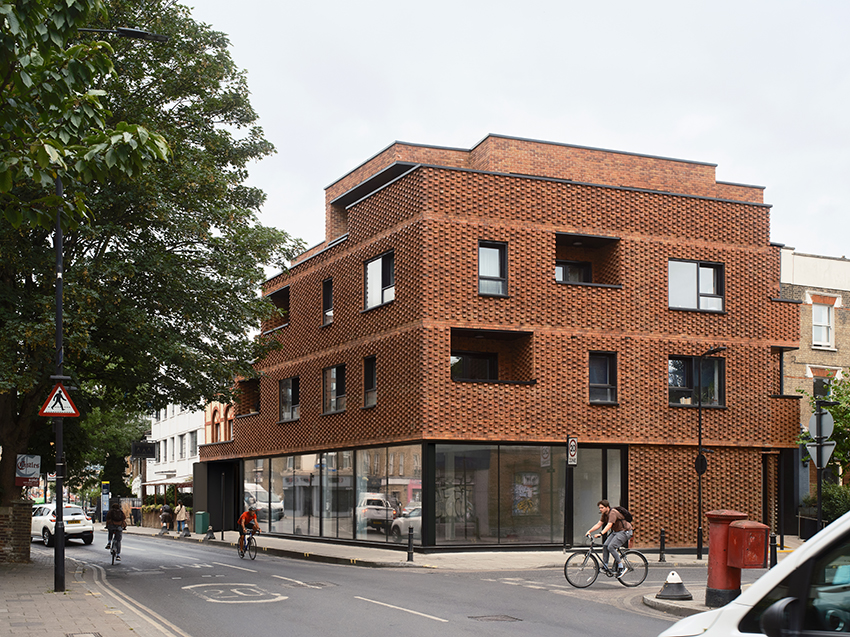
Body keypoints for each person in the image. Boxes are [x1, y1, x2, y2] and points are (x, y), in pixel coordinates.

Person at [586, 499, 633, 578]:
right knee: (605, 546)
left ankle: (621, 567)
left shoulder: (613, 512)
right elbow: (599, 524)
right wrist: (589, 531)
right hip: (616, 532)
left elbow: (609, 525)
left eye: (602, 508)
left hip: (625, 532)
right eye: (599, 508)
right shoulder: (604, 514)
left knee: (611, 547)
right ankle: (605, 566)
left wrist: (601, 534)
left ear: (607, 507)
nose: (600, 509)